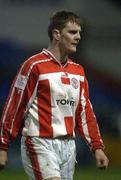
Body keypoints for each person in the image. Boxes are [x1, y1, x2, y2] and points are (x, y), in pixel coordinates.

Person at [0, 10, 109, 180]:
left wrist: (97, 147)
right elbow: (15, 106)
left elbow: (84, 112)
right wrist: (2, 146)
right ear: (56, 34)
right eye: (73, 32)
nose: (78, 37)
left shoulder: (78, 71)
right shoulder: (34, 66)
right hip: (39, 143)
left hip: (68, 147)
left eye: (79, 32)